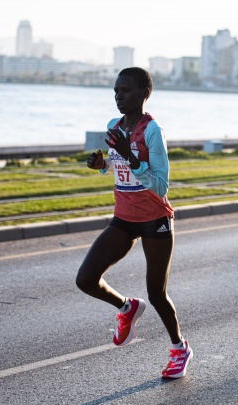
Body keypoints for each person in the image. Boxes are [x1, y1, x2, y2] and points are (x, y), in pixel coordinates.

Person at [76, 67, 192, 378]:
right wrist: (102, 165)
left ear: (144, 94)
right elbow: (118, 168)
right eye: (116, 91)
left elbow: (160, 185)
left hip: (155, 220)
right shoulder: (114, 126)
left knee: (156, 293)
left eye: (125, 91)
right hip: (124, 218)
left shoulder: (153, 131)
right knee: (86, 279)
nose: (119, 96)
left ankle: (180, 348)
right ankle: (127, 307)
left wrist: (129, 155)